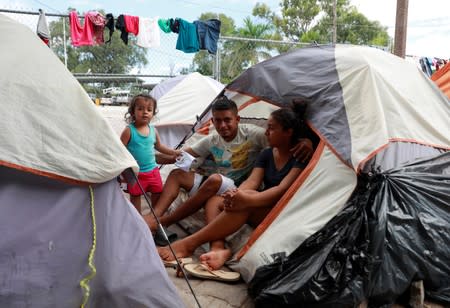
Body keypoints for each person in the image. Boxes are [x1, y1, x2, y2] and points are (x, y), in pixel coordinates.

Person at [158, 100, 310, 270]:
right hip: (259, 201)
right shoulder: (267, 153)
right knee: (216, 200)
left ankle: (189, 243)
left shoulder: (299, 157)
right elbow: (252, 181)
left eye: (271, 128)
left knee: (248, 197)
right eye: (267, 127)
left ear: (288, 132)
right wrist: (236, 194)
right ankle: (217, 249)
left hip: (278, 207)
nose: (266, 132)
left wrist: (245, 198)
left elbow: (281, 190)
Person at [143, 96, 313, 233]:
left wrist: (306, 141)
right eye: (217, 121)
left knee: (215, 179)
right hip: (219, 183)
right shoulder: (213, 139)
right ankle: (155, 217)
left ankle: (165, 221)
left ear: (237, 119)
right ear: (213, 121)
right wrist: (144, 157)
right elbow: (180, 156)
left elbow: (283, 141)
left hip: (239, 186)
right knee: (176, 174)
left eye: (227, 120)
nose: (222, 125)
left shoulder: (255, 134)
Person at [120, 94, 181, 213]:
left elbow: (159, 146)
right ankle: (137, 220)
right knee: (135, 196)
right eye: (140, 109)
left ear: (153, 113)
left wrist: (174, 152)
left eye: (149, 110)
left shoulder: (153, 130)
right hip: (136, 173)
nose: (145, 112)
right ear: (133, 111)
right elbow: (119, 149)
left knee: (157, 193)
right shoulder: (129, 131)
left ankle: (154, 217)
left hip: (153, 171)